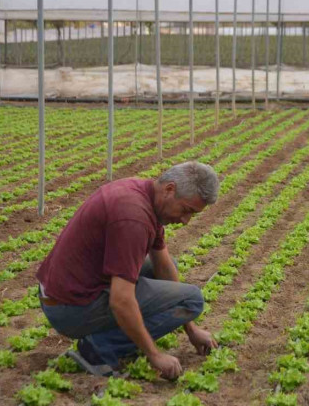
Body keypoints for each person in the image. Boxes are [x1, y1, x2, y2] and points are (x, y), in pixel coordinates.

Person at [36, 161, 220, 380]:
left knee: (168, 269)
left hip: (66, 292)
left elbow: (163, 265)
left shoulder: (143, 194)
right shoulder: (133, 218)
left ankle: (110, 339)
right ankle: (99, 348)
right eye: (186, 210)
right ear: (170, 189)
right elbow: (121, 300)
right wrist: (155, 355)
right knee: (192, 300)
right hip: (70, 309)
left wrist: (191, 329)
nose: (185, 221)